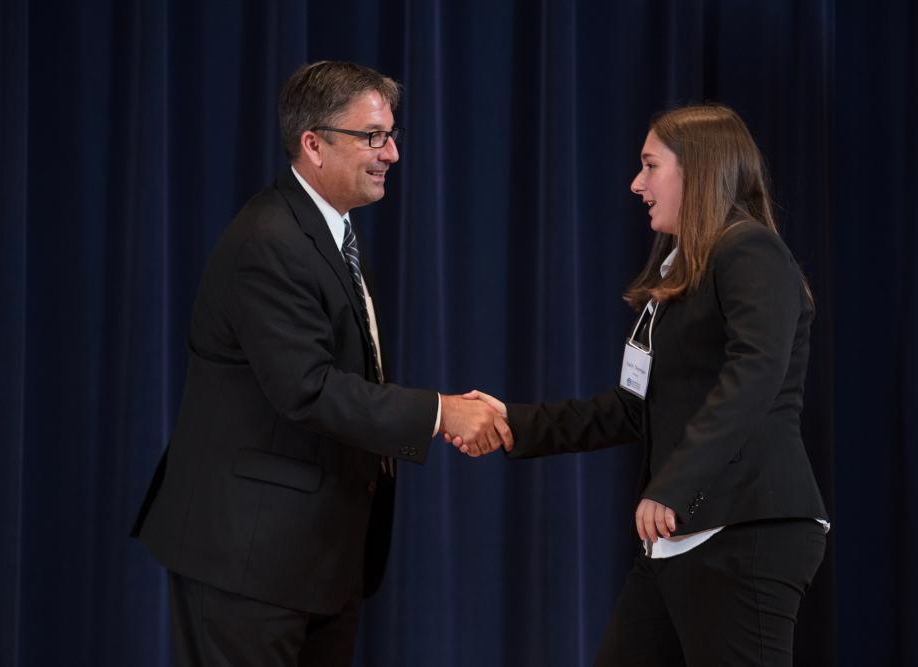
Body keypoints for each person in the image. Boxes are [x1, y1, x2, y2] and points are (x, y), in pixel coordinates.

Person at [131, 60, 511, 667]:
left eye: (391, 135)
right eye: (373, 137)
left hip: (314, 560)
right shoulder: (269, 241)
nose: (391, 153)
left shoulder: (326, 233)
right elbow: (307, 389)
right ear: (313, 144)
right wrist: (441, 414)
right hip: (248, 561)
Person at [458, 105, 829, 665]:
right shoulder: (681, 270)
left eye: (650, 166)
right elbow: (632, 407)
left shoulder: (749, 250)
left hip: (745, 525)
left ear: (698, 171)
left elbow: (754, 374)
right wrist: (515, 422)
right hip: (679, 535)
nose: (637, 184)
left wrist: (673, 485)